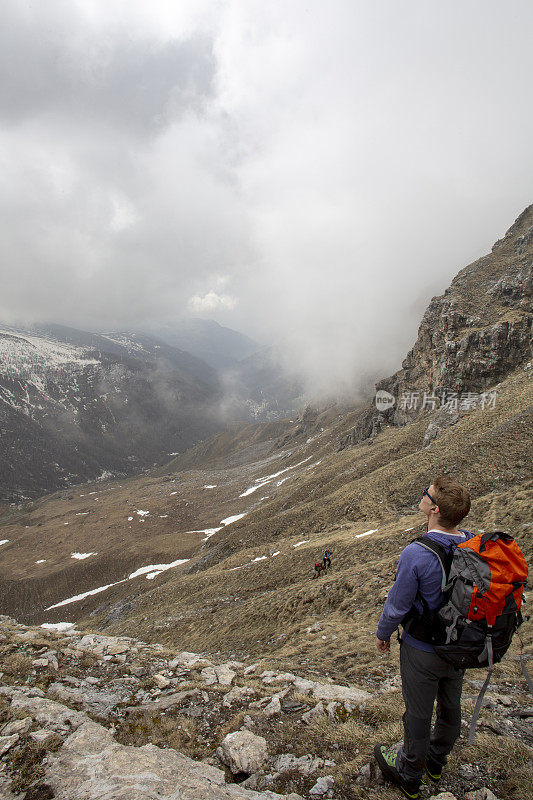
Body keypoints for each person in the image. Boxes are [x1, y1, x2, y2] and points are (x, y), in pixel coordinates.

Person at [374, 475, 472, 800]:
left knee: (418, 713)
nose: (423, 495)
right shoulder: (472, 544)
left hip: (421, 650)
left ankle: (409, 773)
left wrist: (383, 634)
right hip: (457, 647)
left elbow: (397, 604)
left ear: (433, 508)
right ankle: (436, 761)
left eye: (426, 493)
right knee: (450, 706)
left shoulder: (416, 554)